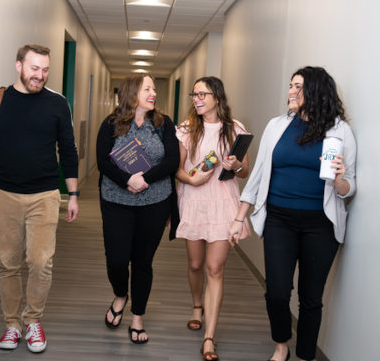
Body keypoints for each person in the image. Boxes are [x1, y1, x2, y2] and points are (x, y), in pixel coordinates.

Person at [229, 66, 357, 361]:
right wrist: (239, 218)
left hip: (320, 225)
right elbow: (258, 175)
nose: (290, 92)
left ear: (314, 91)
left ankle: (306, 355)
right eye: (290, 85)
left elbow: (350, 186)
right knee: (276, 291)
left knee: (311, 298)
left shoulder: (339, 131)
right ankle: (281, 346)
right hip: (279, 220)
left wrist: (339, 179)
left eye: (296, 87)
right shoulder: (277, 126)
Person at [0, 44, 79, 353]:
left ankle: (32, 320)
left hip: (45, 195)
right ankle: (11, 325)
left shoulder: (58, 104)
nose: (40, 75)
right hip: (3, 194)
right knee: (8, 263)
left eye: (45, 69)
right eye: (34, 68)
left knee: (40, 262)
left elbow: (68, 151)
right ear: (18, 65)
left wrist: (72, 193)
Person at [96, 74, 179, 344]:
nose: (153, 92)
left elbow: (172, 161)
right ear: (132, 93)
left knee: (143, 262)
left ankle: (138, 317)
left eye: (154, 88)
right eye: (147, 88)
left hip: (155, 202)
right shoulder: (110, 124)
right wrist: (127, 180)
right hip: (116, 201)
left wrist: (144, 179)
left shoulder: (164, 124)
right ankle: (121, 294)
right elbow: (103, 162)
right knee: (117, 260)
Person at [175, 76, 250, 361]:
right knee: (195, 264)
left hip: (223, 203)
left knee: (214, 267)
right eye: (194, 94)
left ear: (217, 97)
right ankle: (197, 305)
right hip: (194, 201)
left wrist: (236, 165)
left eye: (202, 94)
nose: (196, 99)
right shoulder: (185, 129)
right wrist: (191, 182)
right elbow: (179, 170)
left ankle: (209, 337)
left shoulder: (235, 130)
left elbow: (244, 171)